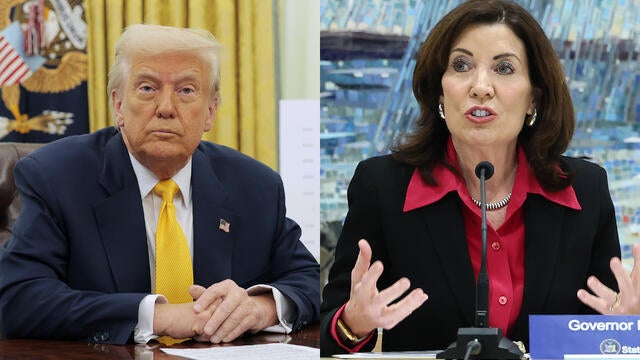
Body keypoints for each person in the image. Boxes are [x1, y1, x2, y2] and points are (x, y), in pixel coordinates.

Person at [320, 0, 640, 356]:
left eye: (504, 68)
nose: (481, 86)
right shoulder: (382, 187)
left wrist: (628, 330)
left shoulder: (585, 190)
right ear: (440, 92)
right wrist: (353, 324)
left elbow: (602, 337)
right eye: (461, 66)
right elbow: (326, 335)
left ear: (534, 97)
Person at [0, 24, 319, 345]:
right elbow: (19, 297)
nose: (166, 108)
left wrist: (259, 308)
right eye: (148, 88)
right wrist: (159, 316)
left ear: (210, 112)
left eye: (186, 91)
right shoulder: (57, 176)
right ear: (119, 105)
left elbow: (311, 280)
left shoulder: (255, 186)